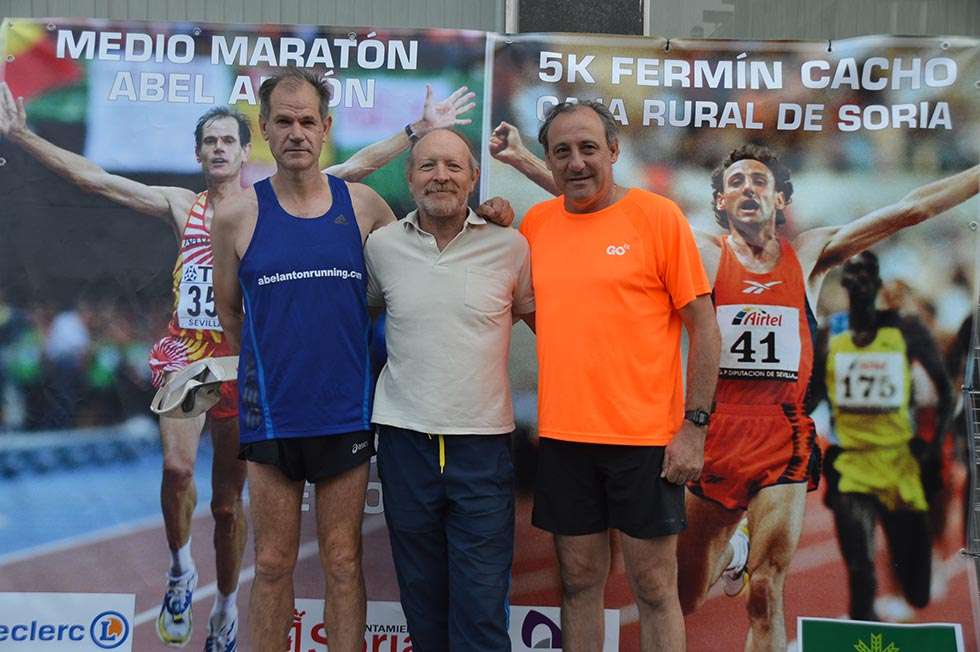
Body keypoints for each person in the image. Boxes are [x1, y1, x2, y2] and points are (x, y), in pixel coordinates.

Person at [0, 78, 476, 651]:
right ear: (200, 153)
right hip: (198, 355)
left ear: (244, 149)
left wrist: (418, 136)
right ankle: (181, 569)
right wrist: (24, 138)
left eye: (230, 140)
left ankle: (223, 601)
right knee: (185, 477)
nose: (221, 150)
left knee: (231, 506)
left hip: (266, 371)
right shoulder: (190, 207)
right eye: (211, 142)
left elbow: (361, 167)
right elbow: (95, 179)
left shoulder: (291, 199)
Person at [492, 125, 978, 649]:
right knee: (686, 596)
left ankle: (755, 567)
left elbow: (913, 207)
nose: (749, 191)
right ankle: (735, 551)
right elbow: (607, 209)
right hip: (717, 434)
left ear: (780, 199)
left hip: (784, 436)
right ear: (721, 200)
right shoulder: (700, 251)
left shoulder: (810, 252)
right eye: (738, 183)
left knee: (767, 592)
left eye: (761, 183)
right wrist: (522, 160)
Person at [211, 68, 513, 652]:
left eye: (307, 121)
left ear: (326, 128)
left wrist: (495, 212)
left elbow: (431, 239)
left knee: (345, 562)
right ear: (266, 131)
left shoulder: (365, 205)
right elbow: (230, 315)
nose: (296, 132)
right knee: (271, 563)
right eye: (283, 121)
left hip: (347, 413)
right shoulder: (236, 217)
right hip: (270, 415)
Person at [517, 100, 720, 652]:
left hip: (646, 443)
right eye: (562, 151)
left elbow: (704, 328)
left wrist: (694, 427)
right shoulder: (535, 224)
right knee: (579, 585)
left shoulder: (658, 217)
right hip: (565, 439)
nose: (576, 162)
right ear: (549, 160)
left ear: (613, 150)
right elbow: (547, 318)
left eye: (588, 148)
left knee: (655, 590)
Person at [364, 128, 534, 651]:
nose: (441, 176)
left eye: (455, 167)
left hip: (481, 447)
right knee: (422, 607)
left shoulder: (511, 245)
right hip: (403, 442)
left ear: (474, 178)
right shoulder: (382, 247)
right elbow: (361, 315)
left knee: (481, 611)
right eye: (429, 166)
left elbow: (545, 324)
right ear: (411, 177)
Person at [812, 251, 952, 621]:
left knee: (916, 579)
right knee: (860, 567)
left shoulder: (907, 330)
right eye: (851, 276)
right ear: (844, 285)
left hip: (899, 457)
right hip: (851, 460)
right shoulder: (830, 332)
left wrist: (932, 445)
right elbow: (810, 394)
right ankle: (866, 624)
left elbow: (945, 389)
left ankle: (917, 580)